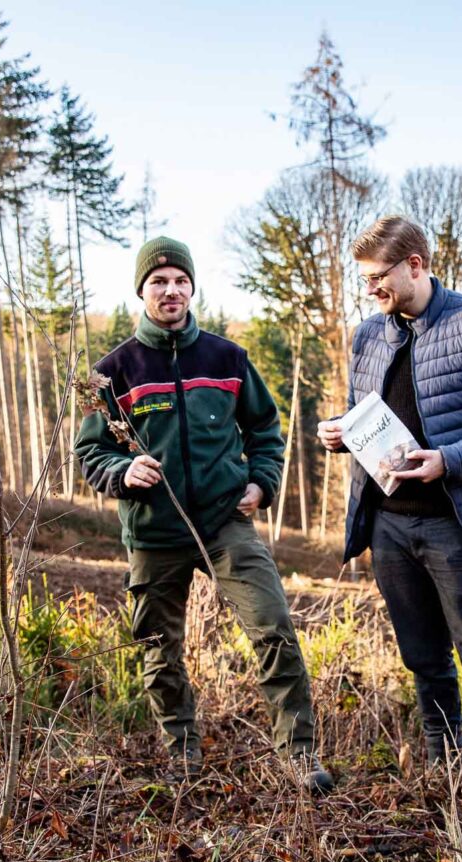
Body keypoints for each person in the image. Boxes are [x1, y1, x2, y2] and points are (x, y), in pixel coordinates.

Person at [75, 236, 333, 794]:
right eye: (159, 281)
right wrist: (123, 473)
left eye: (180, 280)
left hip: (224, 523)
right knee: (157, 649)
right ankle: (182, 755)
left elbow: (266, 429)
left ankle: (299, 756)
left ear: (192, 287)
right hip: (153, 532)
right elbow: (89, 453)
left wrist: (262, 484)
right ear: (142, 290)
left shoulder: (227, 358)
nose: (171, 290)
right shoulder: (111, 372)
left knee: (273, 627)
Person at [318, 216, 462, 803]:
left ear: (415, 265)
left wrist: (448, 459)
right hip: (391, 524)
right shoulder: (369, 335)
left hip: (460, 523)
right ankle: (445, 770)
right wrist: (341, 431)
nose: (370, 289)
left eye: (378, 277)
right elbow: (364, 410)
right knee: (423, 657)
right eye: (363, 279)